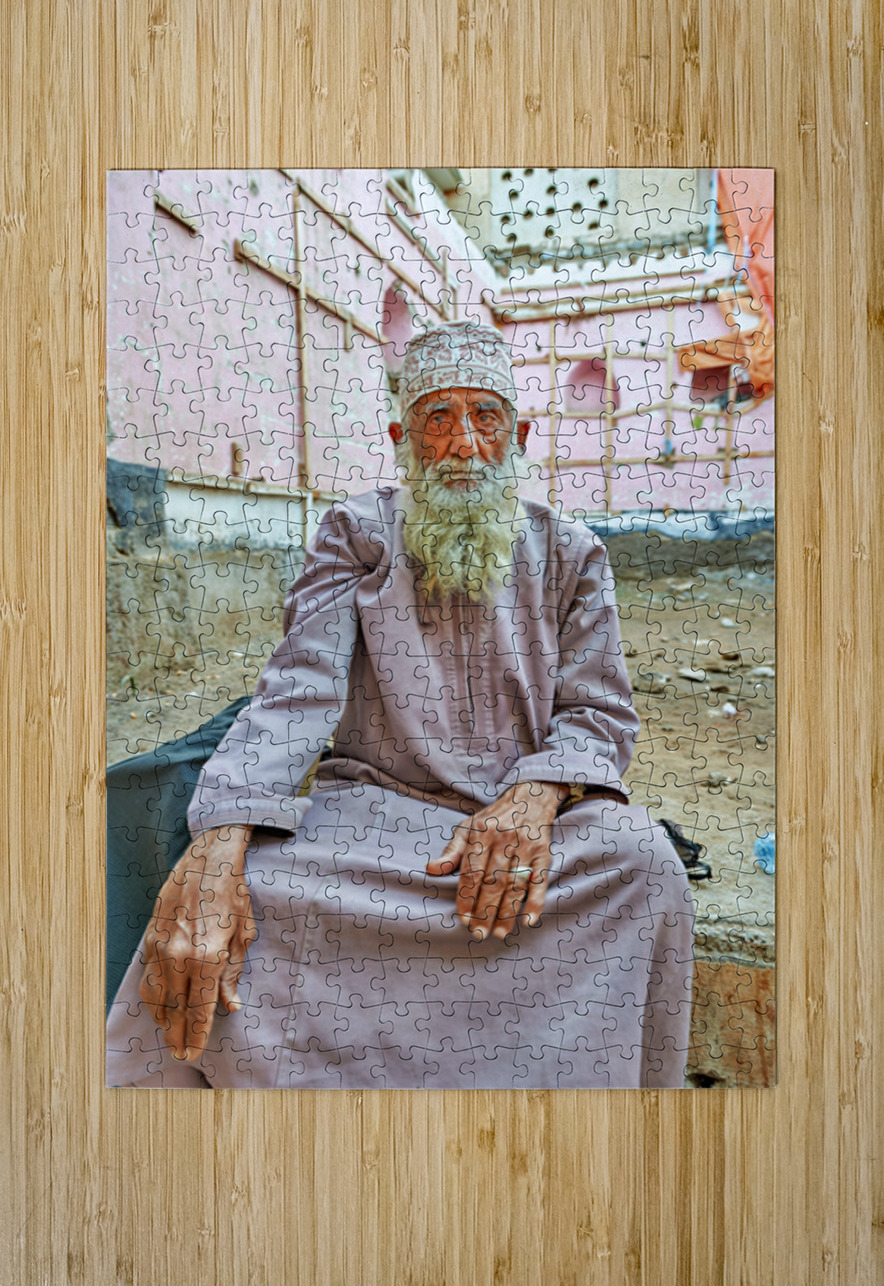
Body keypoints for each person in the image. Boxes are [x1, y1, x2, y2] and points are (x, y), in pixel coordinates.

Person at [106, 321, 694, 1089]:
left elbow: (597, 712)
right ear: (402, 436)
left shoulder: (574, 553)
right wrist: (216, 842)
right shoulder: (356, 533)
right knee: (255, 895)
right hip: (375, 820)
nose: (461, 443)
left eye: (484, 417)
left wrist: (535, 795)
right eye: (437, 419)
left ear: (518, 435)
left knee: (644, 865)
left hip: (530, 824)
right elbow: (296, 689)